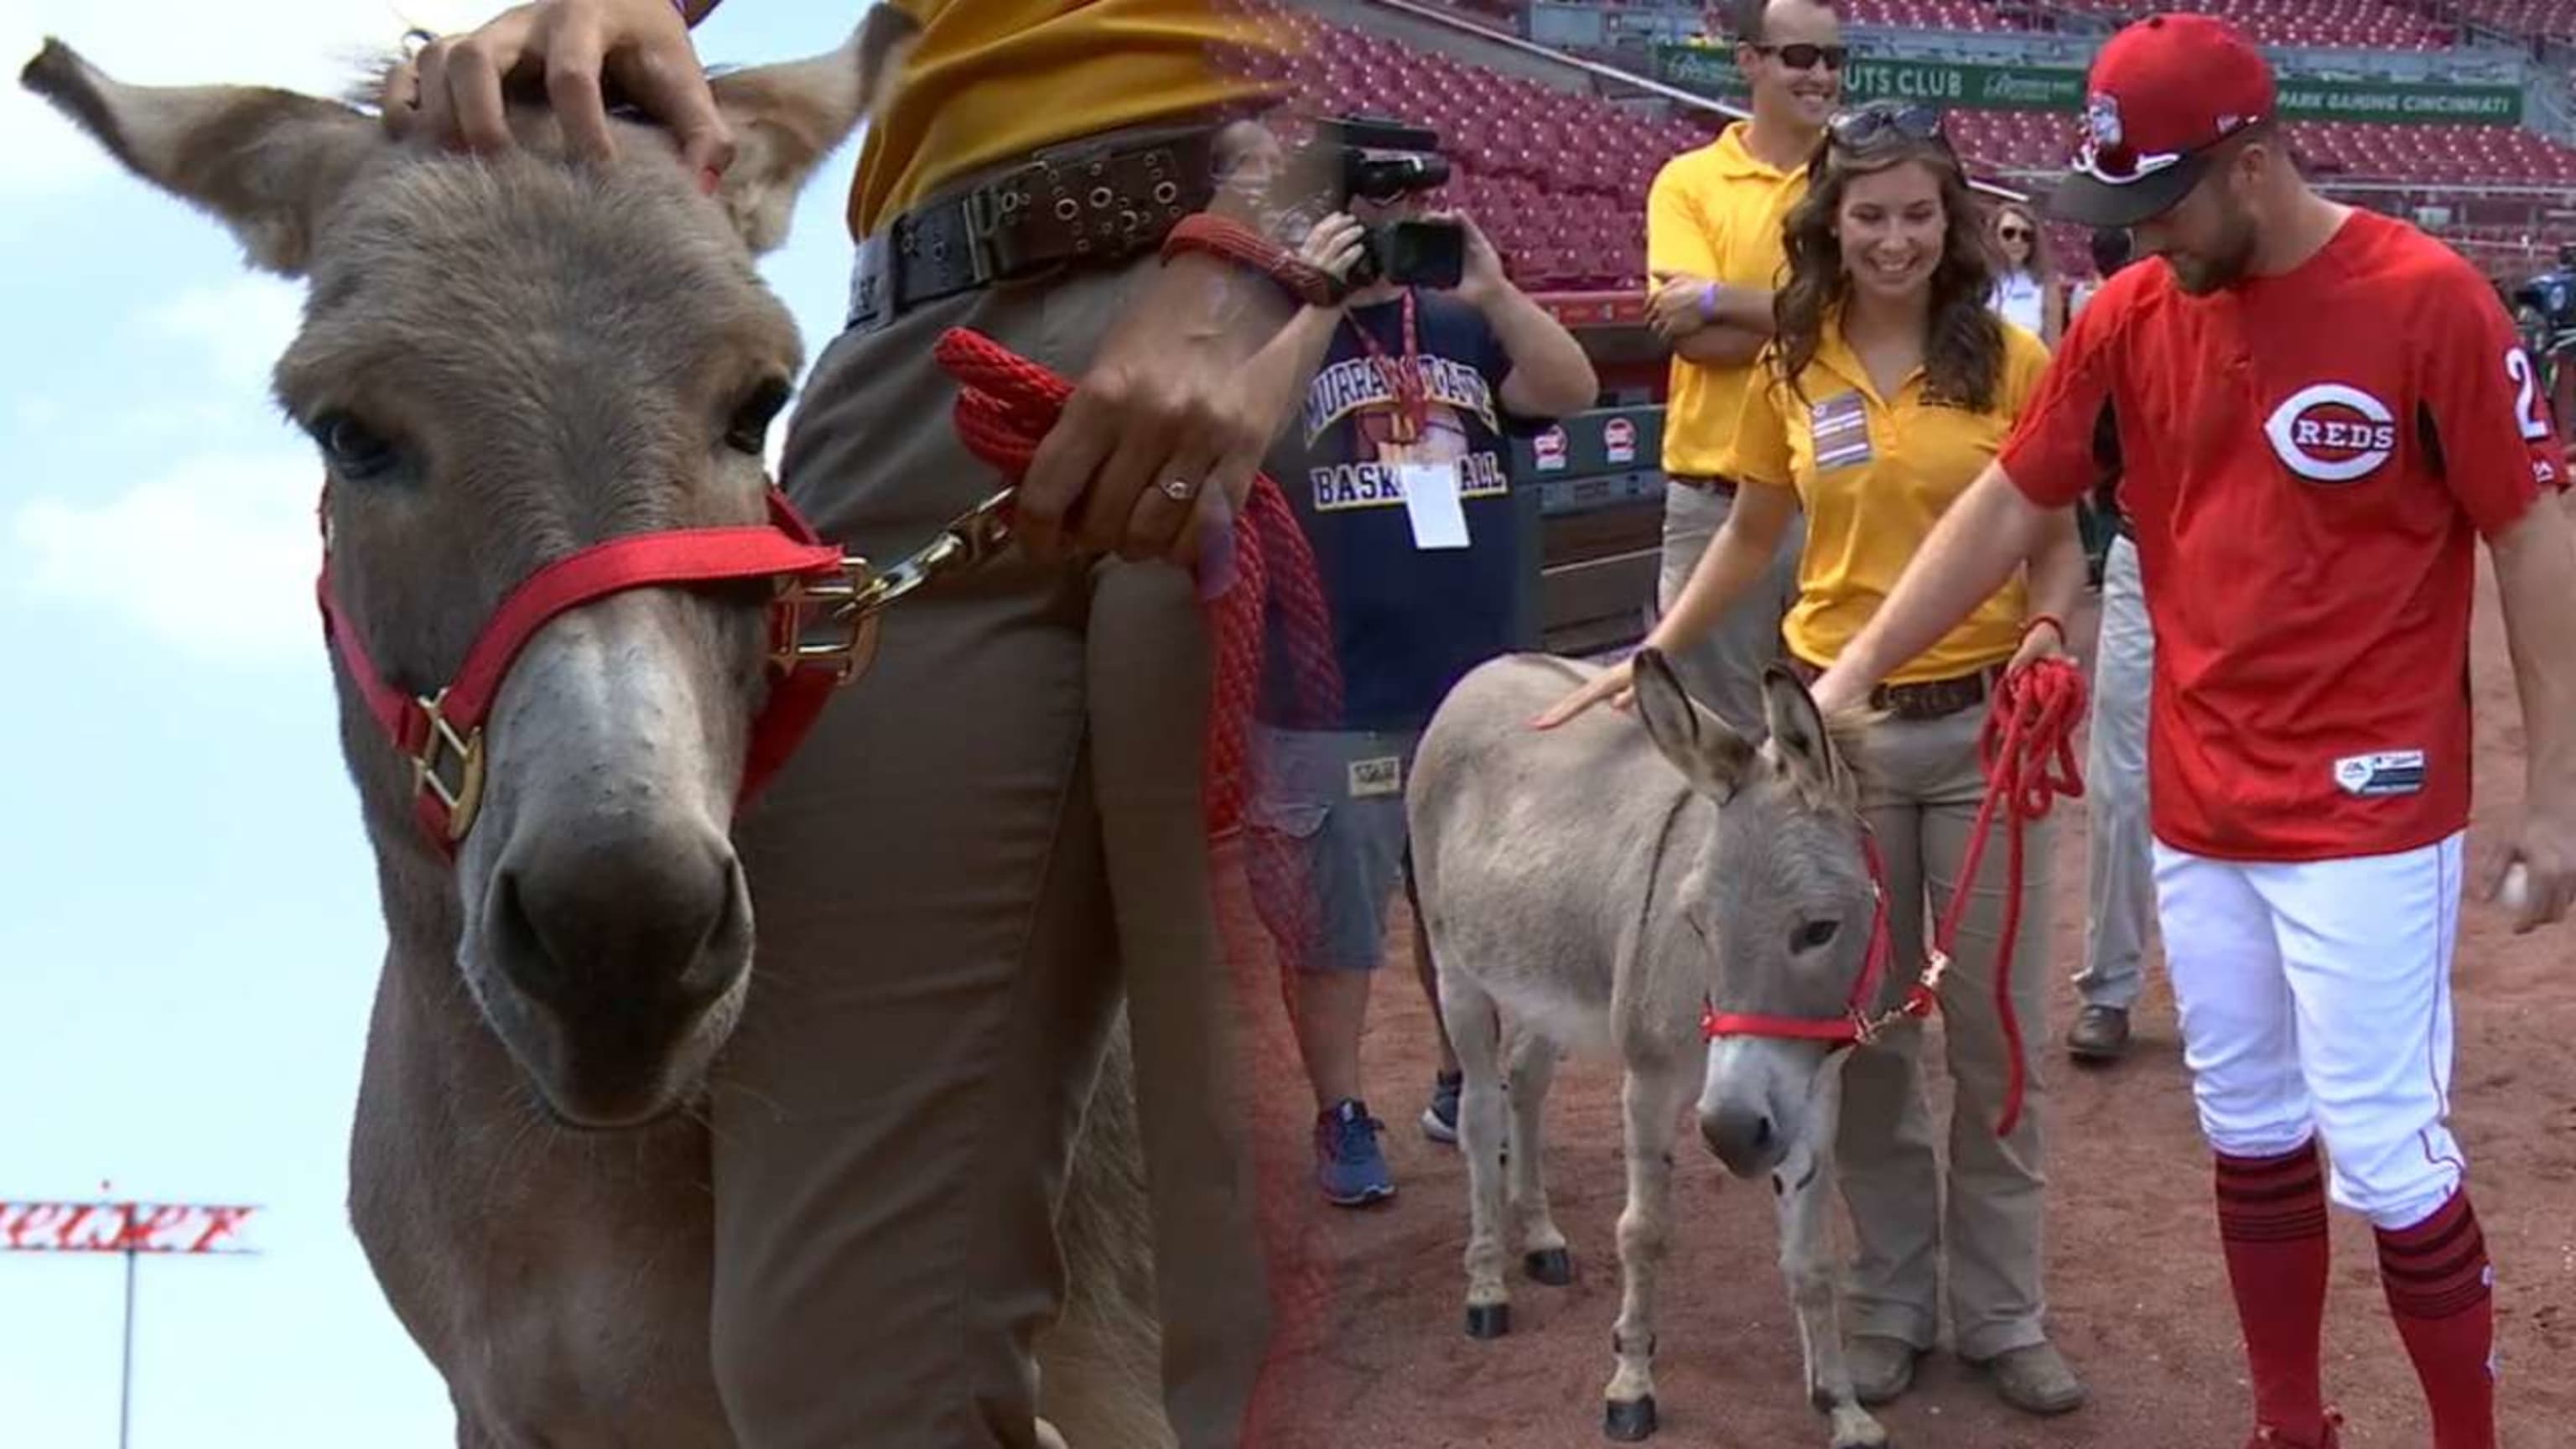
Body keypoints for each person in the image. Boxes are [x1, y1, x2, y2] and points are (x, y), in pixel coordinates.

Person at [386, 3, 1348, 1446]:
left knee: (1305, 1278)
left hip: (1303, 265)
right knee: (837, 1363)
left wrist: (1275, 223)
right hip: (914, 356)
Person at [1802, 16, 2576, 1449]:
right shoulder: (2134, 313)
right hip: (2200, 792)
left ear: (2257, 162)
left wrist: (2557, 796)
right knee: (2248, 1125)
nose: (2138, 232)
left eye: (2161, 199)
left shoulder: (2428, 298)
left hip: (2368, 800)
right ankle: (2291, 1420)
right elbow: (2012, 498)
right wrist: (1855, 666)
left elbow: (2531, 532)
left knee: (2387, 1149)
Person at [1535, 98, 2090, 1420]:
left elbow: (2057, 534)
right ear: (1831, 226)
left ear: (1948, 222)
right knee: (1871, 1039)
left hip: (1983, 730)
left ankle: (2005, 1311)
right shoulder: (1792, 366)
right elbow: (1747, 533)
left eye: (1917, 214)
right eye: (1870, 216)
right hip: (1837, 749)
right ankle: (1890, 1303)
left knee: (1994, 1033)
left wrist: (2054, 631)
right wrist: (1649, 646)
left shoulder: (2013, 362)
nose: (1895, 239)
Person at [1244, 185, 1598, 1204]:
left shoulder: (1456, 323)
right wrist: (1315, 301)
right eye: (1363, 207)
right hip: (1333, 686)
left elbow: (1567, 388)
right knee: (1333, 924)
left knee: (1472, 912)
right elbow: (1246, 433)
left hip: (1470, 684)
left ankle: (1461, 1081)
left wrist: (1494, 290)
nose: (1383, 225)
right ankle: (1342, 1112)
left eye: (1400, 202)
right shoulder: (1272, 328)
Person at [1639, 0, 1841, 738]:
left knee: (1845, 738)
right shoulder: (1689, 181)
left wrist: (1726, 300)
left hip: (1842, 498)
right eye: (1800, 57)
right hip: (1717, 497)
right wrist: (1818, 320)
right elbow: (1695, 342)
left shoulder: (1858, 180)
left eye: (1832, 59)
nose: (1820, 75)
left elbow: (1867, 318)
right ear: (1749, 61)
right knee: (1710, 745)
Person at [2067, 225, 2152, 1063]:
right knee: (2122, 787)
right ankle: (2110, 986)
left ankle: (2269, 1000)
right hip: (2147, 560)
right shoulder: (2122, 319)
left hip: (2263, 581)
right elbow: (2080, 454)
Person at [1986, 199, 2065, 347]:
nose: (2017, 241)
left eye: (2025, 235)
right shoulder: (1978, 280)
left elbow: (2053, 347)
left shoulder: (2044, 284)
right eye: (2009, 233)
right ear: (1994, 236)